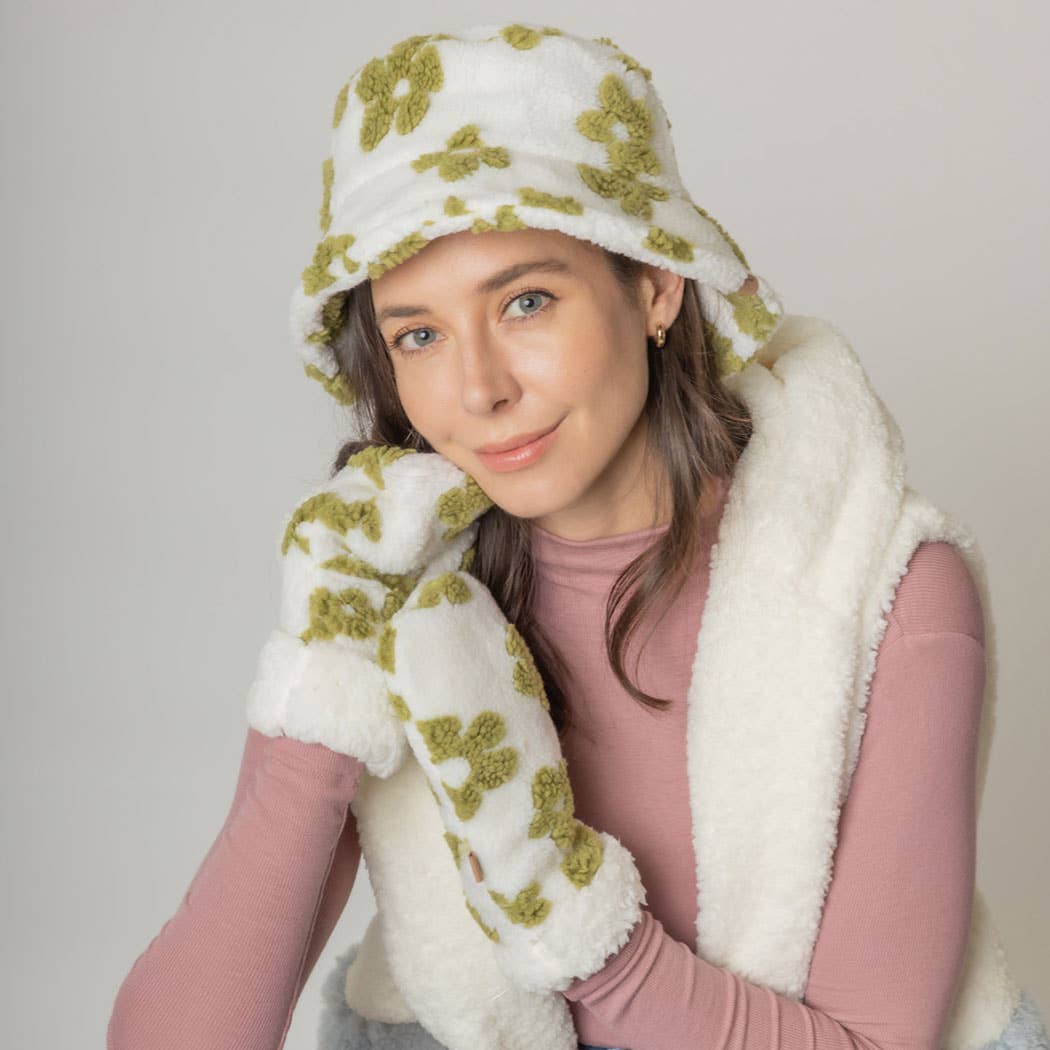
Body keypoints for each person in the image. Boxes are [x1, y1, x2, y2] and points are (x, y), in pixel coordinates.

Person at [106, 21, 1048, 1050]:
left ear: (654, 284)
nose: (479, 390)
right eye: (417, 332)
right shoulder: (394, 597)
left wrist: (567, 918)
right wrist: (323, 683)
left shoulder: (887, 592)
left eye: (526, 301)